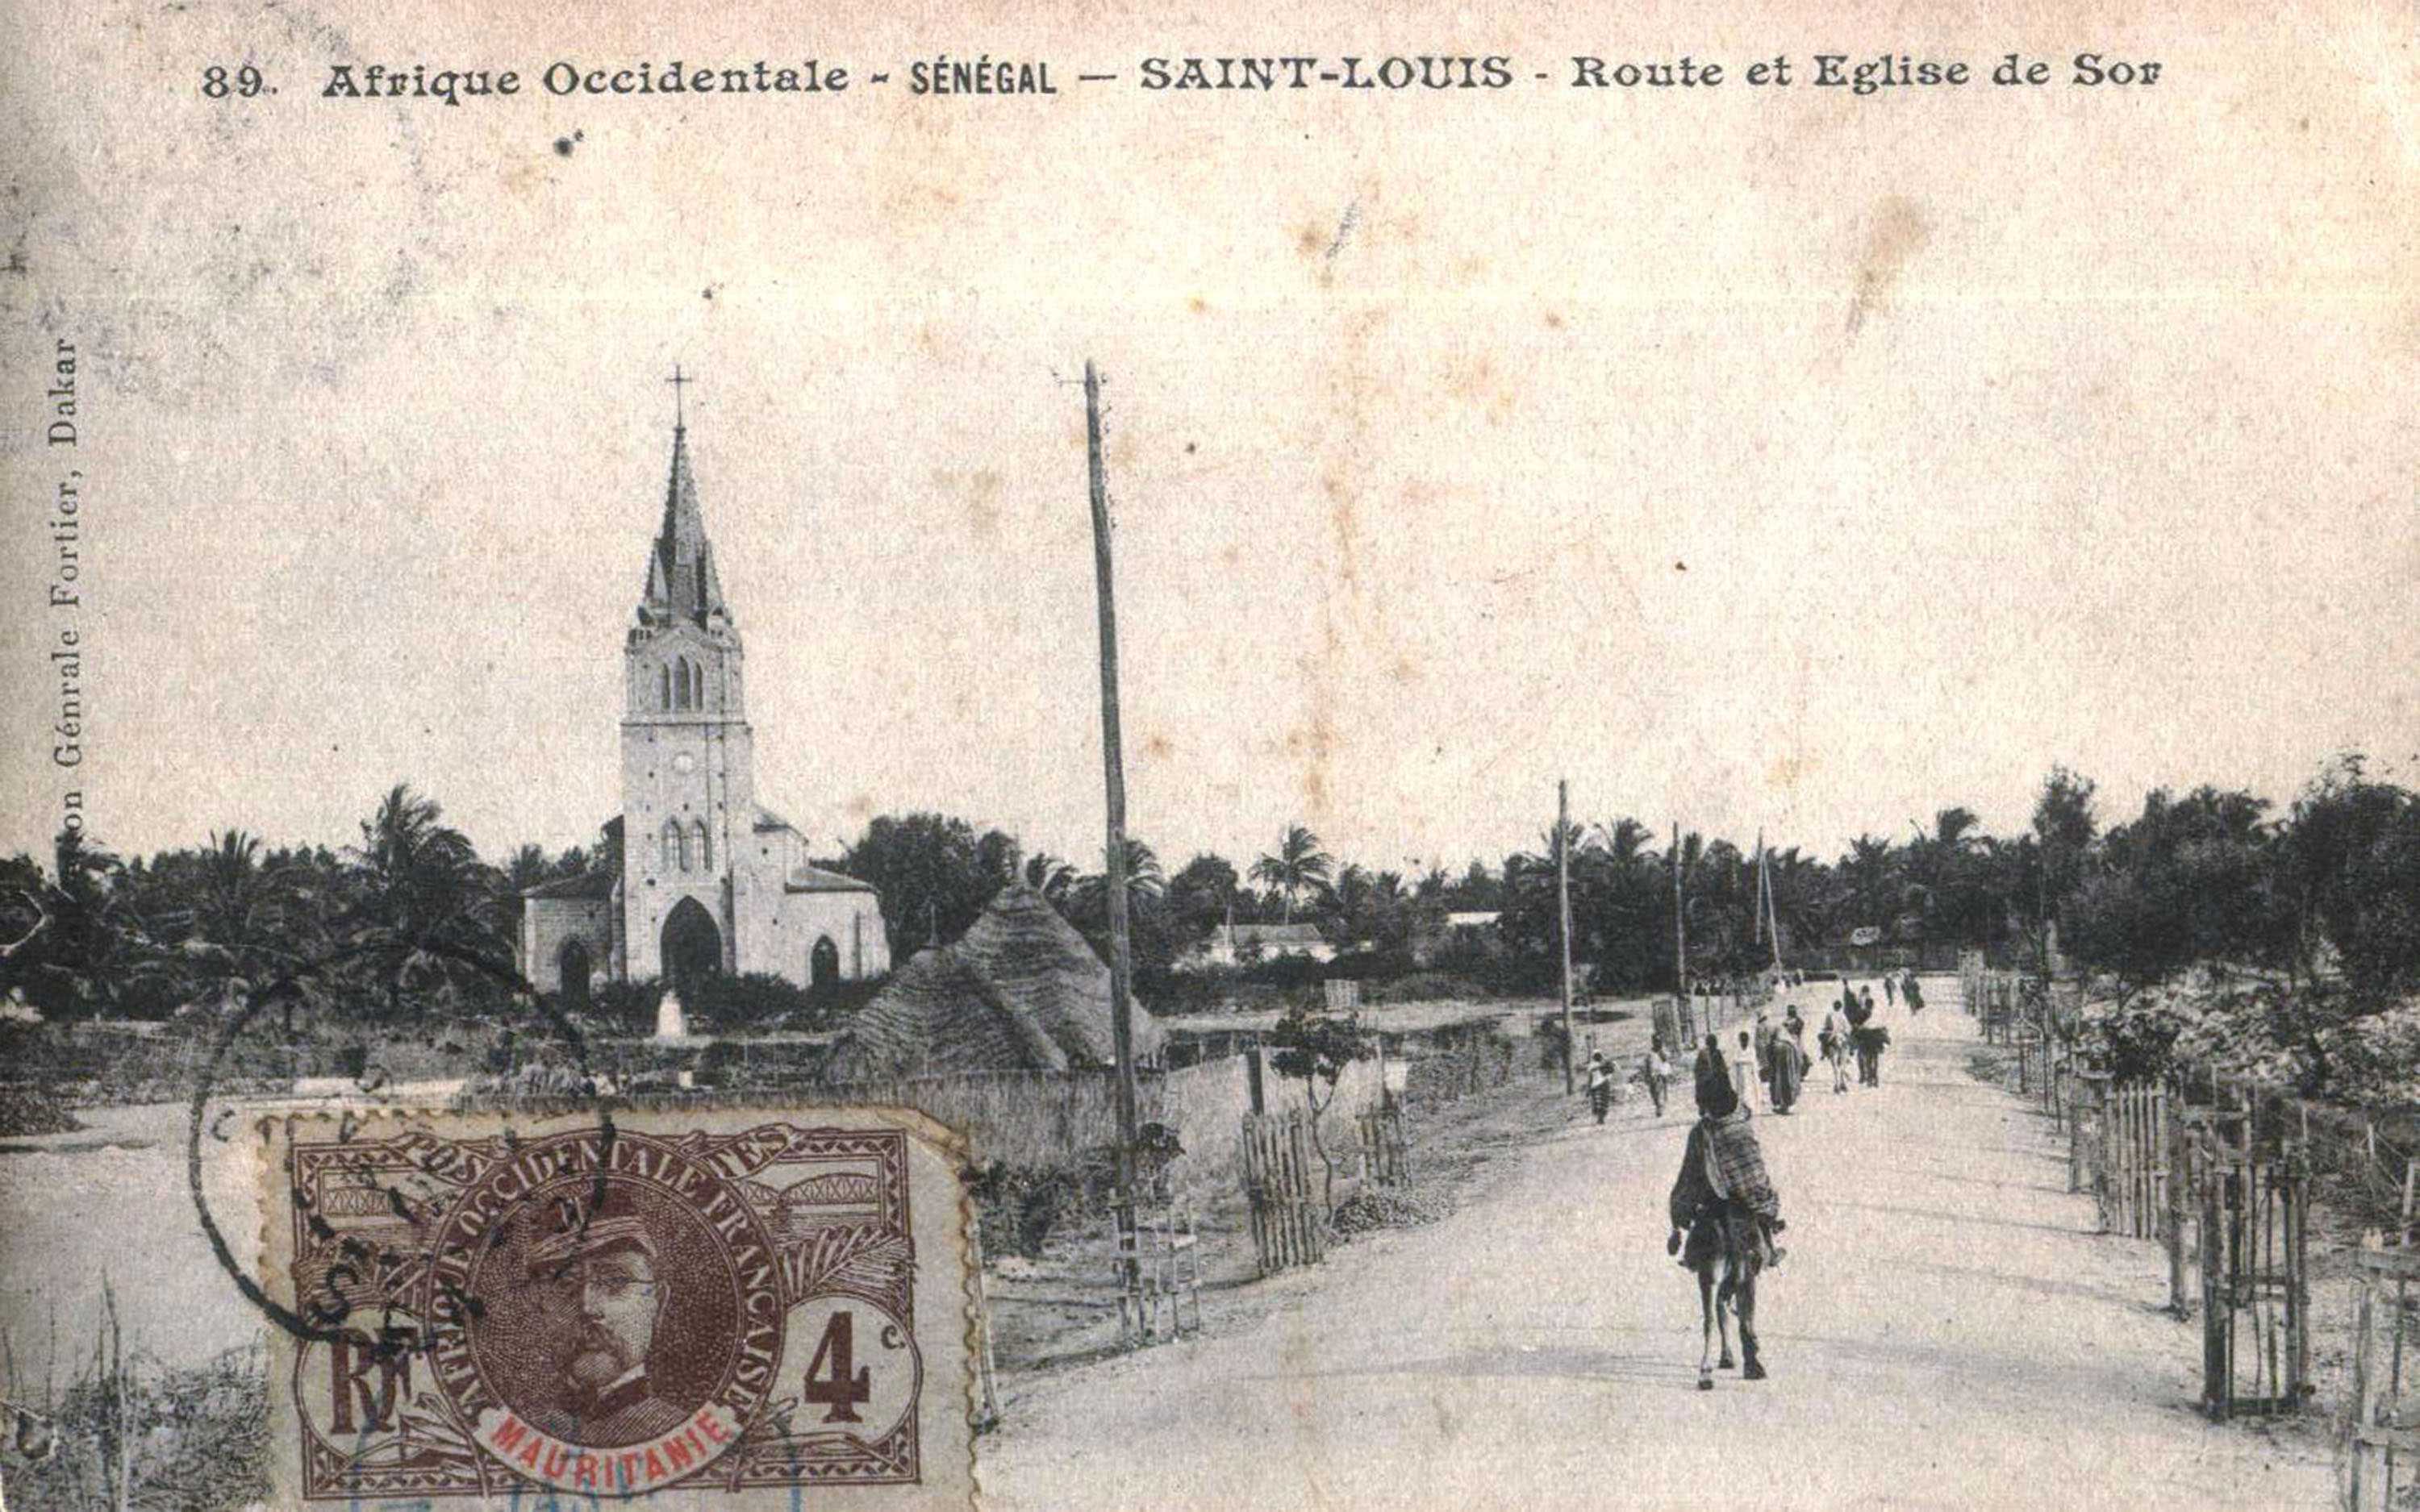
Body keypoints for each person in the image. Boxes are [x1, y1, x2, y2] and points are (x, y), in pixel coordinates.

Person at [526, 1217, 692, 1446]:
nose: (588, 1307)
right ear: (541, 1308)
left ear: (658, 1302)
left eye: (616, 1280)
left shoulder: (685, 1437)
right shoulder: (525, 1432)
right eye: (565, 1285)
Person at [1667, 1051, 1785, 1345]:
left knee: (1701, 1251)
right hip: (1746, 1205)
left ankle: (1692, 1259)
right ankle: (1769, 1250)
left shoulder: (1701, 1134)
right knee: (1761, 1225)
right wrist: (1762, 1200)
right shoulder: (1742, 1125)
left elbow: (1688, 1177)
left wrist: (1679, 1214)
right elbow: (1755, 1170)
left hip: (1714, 1206)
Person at [1640, 1039, 1672, 1118]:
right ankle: (1659, 1106)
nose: (1659, 1044)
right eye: (1657, 1042)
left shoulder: (1663, 1052)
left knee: (1660, 1092)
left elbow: (1667, 1061)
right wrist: (1647, 1076)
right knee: (1654, 1093)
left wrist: (1662, 1052)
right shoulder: (1649, 1054)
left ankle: (1660, 1108)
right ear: (1653, 1042)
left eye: (1660, 1042)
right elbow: (1646, 1066)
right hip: (1653, 1076)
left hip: (1662, 1075)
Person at [1585, 1051, 1615, 1125]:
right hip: (1602, 1085)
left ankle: (1600, 1118)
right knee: (1602, 1102)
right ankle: (1600, 1118)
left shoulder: (1595, 1066)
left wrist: (1588, 1088)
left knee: (1599, 1102)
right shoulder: (1602, 1065)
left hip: (1598, 1086)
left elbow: (1590, 1078)